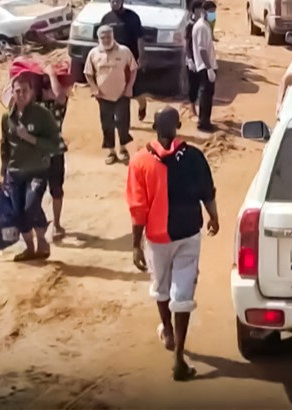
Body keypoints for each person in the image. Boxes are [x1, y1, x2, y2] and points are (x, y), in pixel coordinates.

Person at [128, 106, 219, 382]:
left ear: (154, 127)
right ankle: (178, 357)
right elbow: (208, 192)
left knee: (161, 288)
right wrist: (214, 217)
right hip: (188, 233)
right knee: (183, 295)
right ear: (179, 125)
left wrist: (135, 243)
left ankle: (167, 330)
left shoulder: (140, 162)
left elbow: (137, 207)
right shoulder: (193, 157)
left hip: (157, 238)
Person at [0, 75, 62, 262]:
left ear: (32, 92)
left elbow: (55, 145)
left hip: (38, 170)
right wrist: (3, 171)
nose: (21, 95)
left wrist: (30, 138)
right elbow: (5, 145)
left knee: (31, 206)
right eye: (17, 91)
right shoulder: (7, 117)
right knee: (18, 213)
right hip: (15, 171)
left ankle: (43, 240)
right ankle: (29, 247)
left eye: (24, 91)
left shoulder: (43, 115)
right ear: (13, 92)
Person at [84, 25, 138, 165]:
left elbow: (133, 69)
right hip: (103, 96)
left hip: (122, 94)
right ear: (99, 38)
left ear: (113, 36)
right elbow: (88, 74)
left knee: (122, 122)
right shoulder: (93, 54)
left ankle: (123, 149)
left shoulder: (124, 51)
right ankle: (111, 151)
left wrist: (129, 88)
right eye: (103, 37)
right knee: (107, 124)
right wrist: (94, 89)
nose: (106, 40)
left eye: (109, 36)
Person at [101, 0, 149, 121]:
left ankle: (142, 106)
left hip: (130, 59)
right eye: (112, 2)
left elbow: (140, 38)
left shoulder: (132, 17)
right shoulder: (106, 19)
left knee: (135, 90)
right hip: (112, 60)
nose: (114, 4)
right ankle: (119, 117)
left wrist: (142, 56)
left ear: (122, 1)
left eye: (117, 1)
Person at [38, 64, 71, 240]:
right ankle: (41, 225)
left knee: (56, 190)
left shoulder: (58, 106)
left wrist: (51, 74)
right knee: (36, 192)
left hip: (54, 153)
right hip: (38, 155)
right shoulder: (34, 105)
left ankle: (56, 224)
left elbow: (60, 96)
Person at [191, 0, 217, 133]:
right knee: (205, 95)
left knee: (208, 94)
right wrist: (209, 68)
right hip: (204, 66)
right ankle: (203, 122)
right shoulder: (201, 27)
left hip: (207, 65)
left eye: (214, 11)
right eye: (211, 12)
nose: (213, 14)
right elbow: (202, 50)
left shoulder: (205, 25)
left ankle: (206, 120)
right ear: (204, 12)